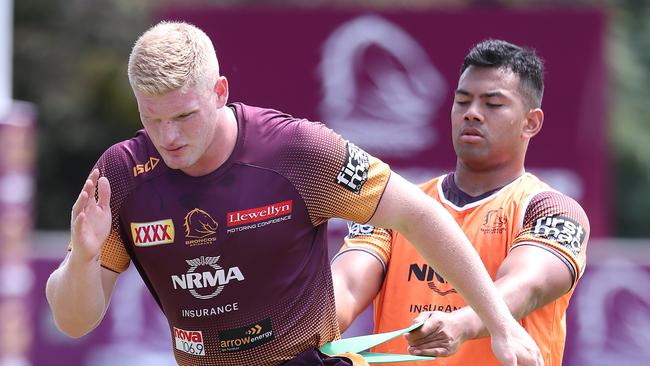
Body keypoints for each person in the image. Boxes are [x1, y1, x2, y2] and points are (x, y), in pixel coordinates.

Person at [45, 23, 542, 366]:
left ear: (219, 92)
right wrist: (84, 259)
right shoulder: (123, 174)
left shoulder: (298, 150)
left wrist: (499, 323)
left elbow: (419, 214)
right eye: (151, 118)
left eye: (183, 116)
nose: (168, 136)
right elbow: (74, 322)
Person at [332, 39, 590, 366]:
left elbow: (528, 286)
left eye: (493, 104)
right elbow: (347, 287)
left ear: (531, 122)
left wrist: (461, 325)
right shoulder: (396, 206)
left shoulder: (552, 211)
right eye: (463, 101)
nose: (472, 114)